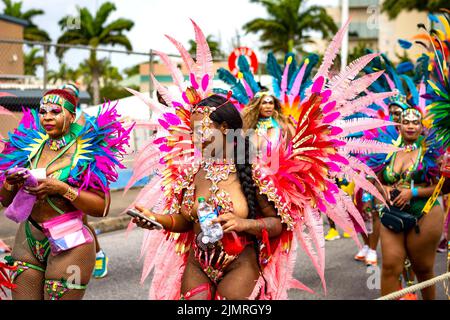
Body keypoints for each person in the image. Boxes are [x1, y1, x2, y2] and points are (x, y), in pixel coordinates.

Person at [0, 89, 130, 299]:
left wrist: (62, 189)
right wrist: (8, 183)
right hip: (28, 237)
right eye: (43, 111)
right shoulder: (28, 147)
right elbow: (6, 201)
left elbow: (102, 208)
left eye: (55, 111)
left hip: (70, 243)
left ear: (71, 115)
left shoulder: (86, 152)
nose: (48, 117)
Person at [377, 107, 444, 299]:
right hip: (392, 214)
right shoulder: (387, 150)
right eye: (406, 122)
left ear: (422, 126)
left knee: (422, 269)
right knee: (390, 266)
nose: (411, 126)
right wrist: (385, 190)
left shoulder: (430, 151)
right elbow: (377, 180)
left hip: (424, 213)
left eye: (415, 122)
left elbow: (443, 187)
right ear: (399, 125)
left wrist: (412, 193)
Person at [59, 83, 109, 279]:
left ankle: (97, 254)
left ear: (76, 99)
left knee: (81, 218)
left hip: (79, 173)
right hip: (56, 171)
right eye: (64, 94)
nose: (67, 97)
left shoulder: (82, 117)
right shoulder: (53, 114)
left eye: (70, 95)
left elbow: (94, 145)